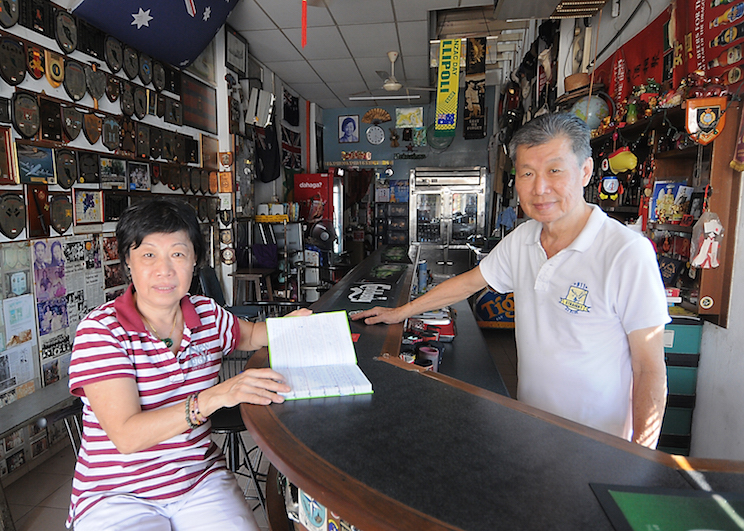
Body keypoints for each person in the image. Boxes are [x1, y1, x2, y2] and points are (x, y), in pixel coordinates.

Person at [354, 113, 670, 448]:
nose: (539, 188)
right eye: (527, 173)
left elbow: (649, 367)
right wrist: (402, 312)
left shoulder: (626, 252)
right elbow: (468, 283)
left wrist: (641, 454)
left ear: (586, 171)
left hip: (597, 442)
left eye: (554, 170)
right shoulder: (525, 238)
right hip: (530, 426)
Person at [67, 198, 310, 530]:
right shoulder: (101, 331)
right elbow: (127, 436)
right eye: (148, 254)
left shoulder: (207, 314)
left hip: (198, 478)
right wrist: (214, 397)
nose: (164, 270)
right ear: (128, 261)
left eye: (178, 254)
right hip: (116, 494)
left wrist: (292, 325)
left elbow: (251, 336)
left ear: (195, 259)